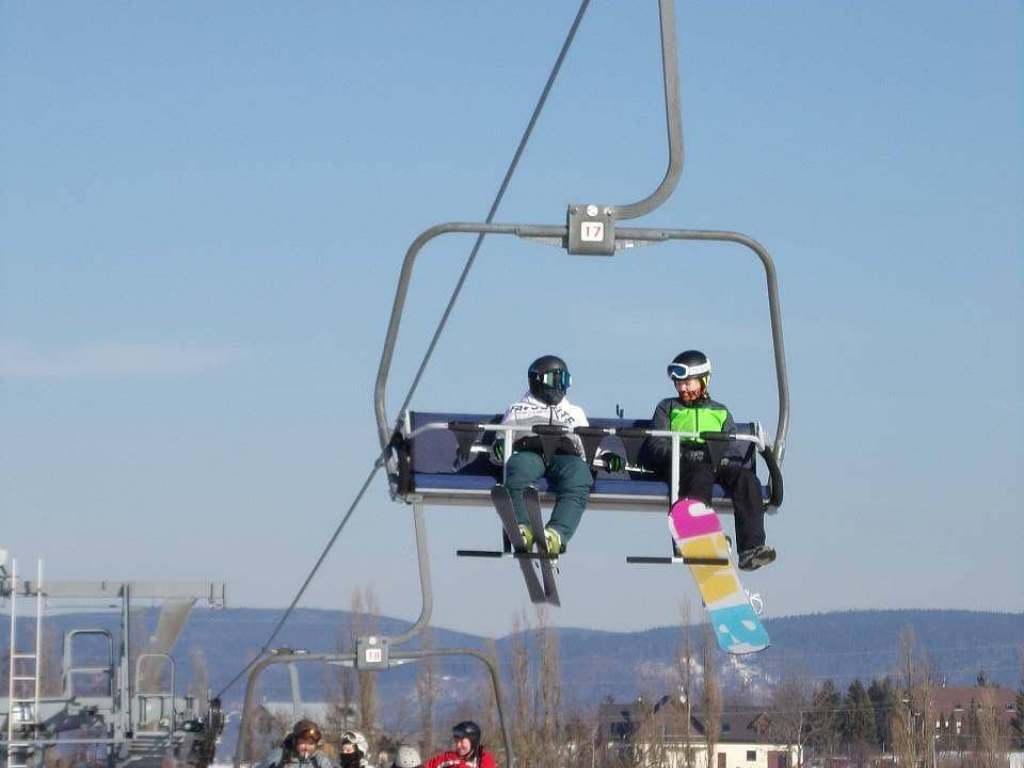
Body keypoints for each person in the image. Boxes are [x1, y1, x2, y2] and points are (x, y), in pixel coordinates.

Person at [643, 350, 776, 571]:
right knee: (699, 473)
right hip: (682, 462)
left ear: (704, 381)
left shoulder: (720, 412)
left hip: (716, 460)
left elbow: (732, 445)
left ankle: (751, 548)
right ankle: (696, 534)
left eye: (687, 383)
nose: (682, 388)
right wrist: (681, 455)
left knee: (747, 480)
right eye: (679, 384)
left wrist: (722, 458)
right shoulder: (668, 408)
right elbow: (657, 443)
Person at [491, 354, 622, 554]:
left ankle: (556, 534)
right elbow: (504, 436)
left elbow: (586, 443)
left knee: (579, 477)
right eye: (555, 380)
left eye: (565, 380)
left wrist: (605, 456)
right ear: (537, 380)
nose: (561, 387)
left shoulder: (574, 412)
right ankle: (521, 528)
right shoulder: (518, 409)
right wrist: (499, 447)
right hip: (530, 451)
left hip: (565, 455)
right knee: (519, 471)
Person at [257, 720, 335, 768]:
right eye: (302, 743)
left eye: (311, 744)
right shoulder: (280, 756)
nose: (306, 747)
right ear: (295, 741)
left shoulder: (319, 760)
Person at [425, 721, 497, 768]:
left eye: (462, 742)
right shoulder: (448, 757)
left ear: (473, 742)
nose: (458, 746)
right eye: (456, 742)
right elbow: (428, 765)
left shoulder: (484, 759)